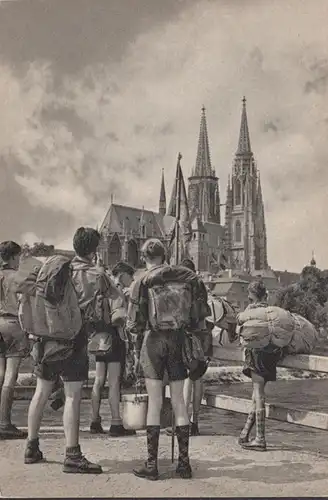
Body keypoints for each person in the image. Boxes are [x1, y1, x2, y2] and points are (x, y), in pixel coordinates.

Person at [24, 228, 111, 474]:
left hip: (45, 338)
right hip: (74, 340)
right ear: (94, 251)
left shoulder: (57, 270)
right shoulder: (95, 274)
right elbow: (111, 300)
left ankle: (31, 447)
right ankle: (72, 455)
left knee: (40, 392)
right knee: (72, 396)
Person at [126, 239, 210, 481]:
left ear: (144, 256)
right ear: (165, 255)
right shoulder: (184, 278)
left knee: (154, 402)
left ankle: (152, 465)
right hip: (178, 340)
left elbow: (134, 324)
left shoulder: (141, 280)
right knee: (179, 403)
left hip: (153, 342)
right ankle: (184, 465)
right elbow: (199, 317)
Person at [166, 258, 213, 437]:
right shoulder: (201, 286)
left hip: (188, 334)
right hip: (202, 334)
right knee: (198, 378)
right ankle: (195, 422)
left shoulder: (185, 287)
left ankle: (182, 423)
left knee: (186, 377)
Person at [89, 260, 136, 437]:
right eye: (130, 277)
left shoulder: (100, 289)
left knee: (98, 381)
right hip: (114, 340)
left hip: (99, 339)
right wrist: (127, 341)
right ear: (123, 275)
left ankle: (94, 420)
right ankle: (116, 423)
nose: (131, 281)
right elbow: (118, 321)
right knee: (114, 382)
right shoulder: (116, 292)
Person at [238, 281, 286, 451]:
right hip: (271, 354)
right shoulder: (270, 312)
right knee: (256, 395)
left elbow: (240, 328)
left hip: (256, 354)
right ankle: (245, 434)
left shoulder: (251, 311)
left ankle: (260, 439)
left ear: (252, 296)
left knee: (258, 395)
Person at [0, 241, 29, 439]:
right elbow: (23, 307)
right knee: (10, 375)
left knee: (0, 374)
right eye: (18, 257)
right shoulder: (18, 277)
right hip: (12, 324)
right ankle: (4, 423)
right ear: (12, 257)